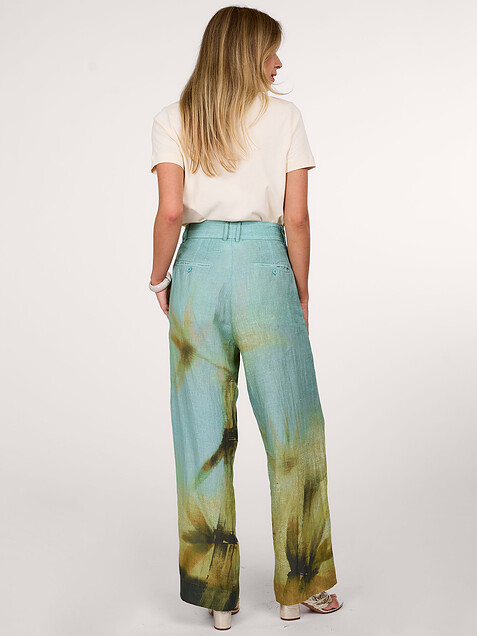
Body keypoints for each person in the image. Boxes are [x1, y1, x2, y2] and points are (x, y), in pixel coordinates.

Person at [148, 6, 343, 631]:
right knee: (293, 430)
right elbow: (297, 218)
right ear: (246, 54)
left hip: (198, 271)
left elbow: (171, 213)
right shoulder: (285, 117)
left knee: (202, 438)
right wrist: (300, 290)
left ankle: (217, 596)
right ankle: (299, 587)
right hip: (266, 270)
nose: (279, 63)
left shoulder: (174, 118)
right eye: (270, 51)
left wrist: (159, 278)